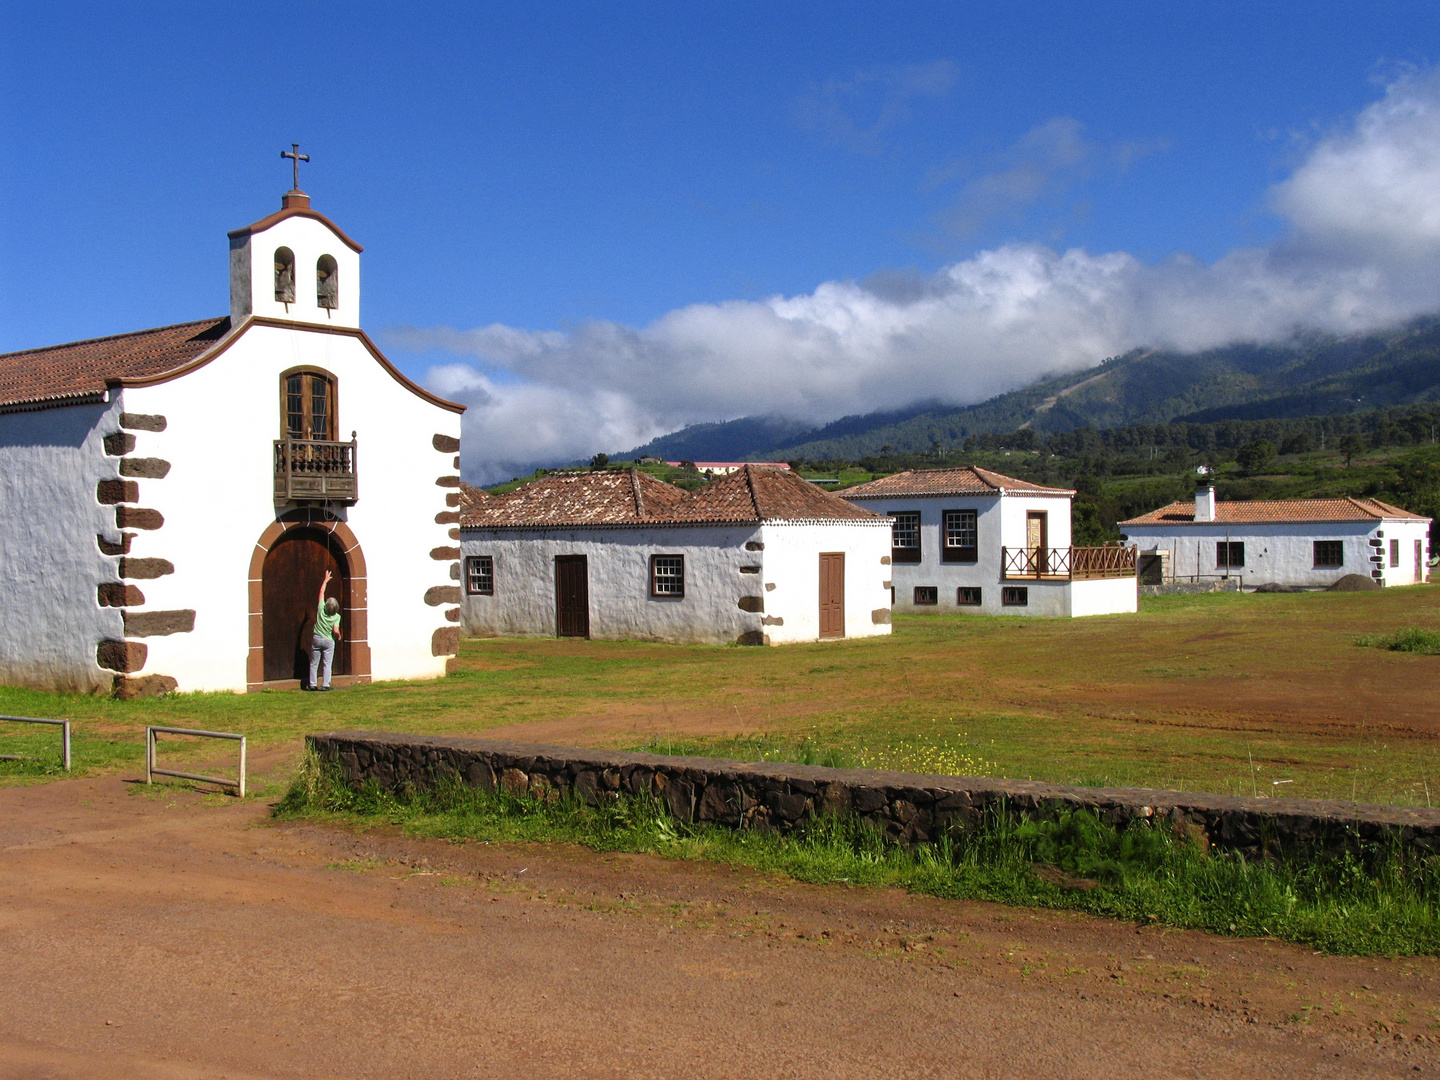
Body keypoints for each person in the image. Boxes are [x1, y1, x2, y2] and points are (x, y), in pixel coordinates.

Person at [308, 569, 343, 691]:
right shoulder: (337, 617)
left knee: (314, 662)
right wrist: (338, 636)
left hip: (317, 638)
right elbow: (335, 630)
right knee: (327, 663)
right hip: (328, 641)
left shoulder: (321, 609)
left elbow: (322, 591)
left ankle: (312, 684)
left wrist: (325, 580)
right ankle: (325, 685)